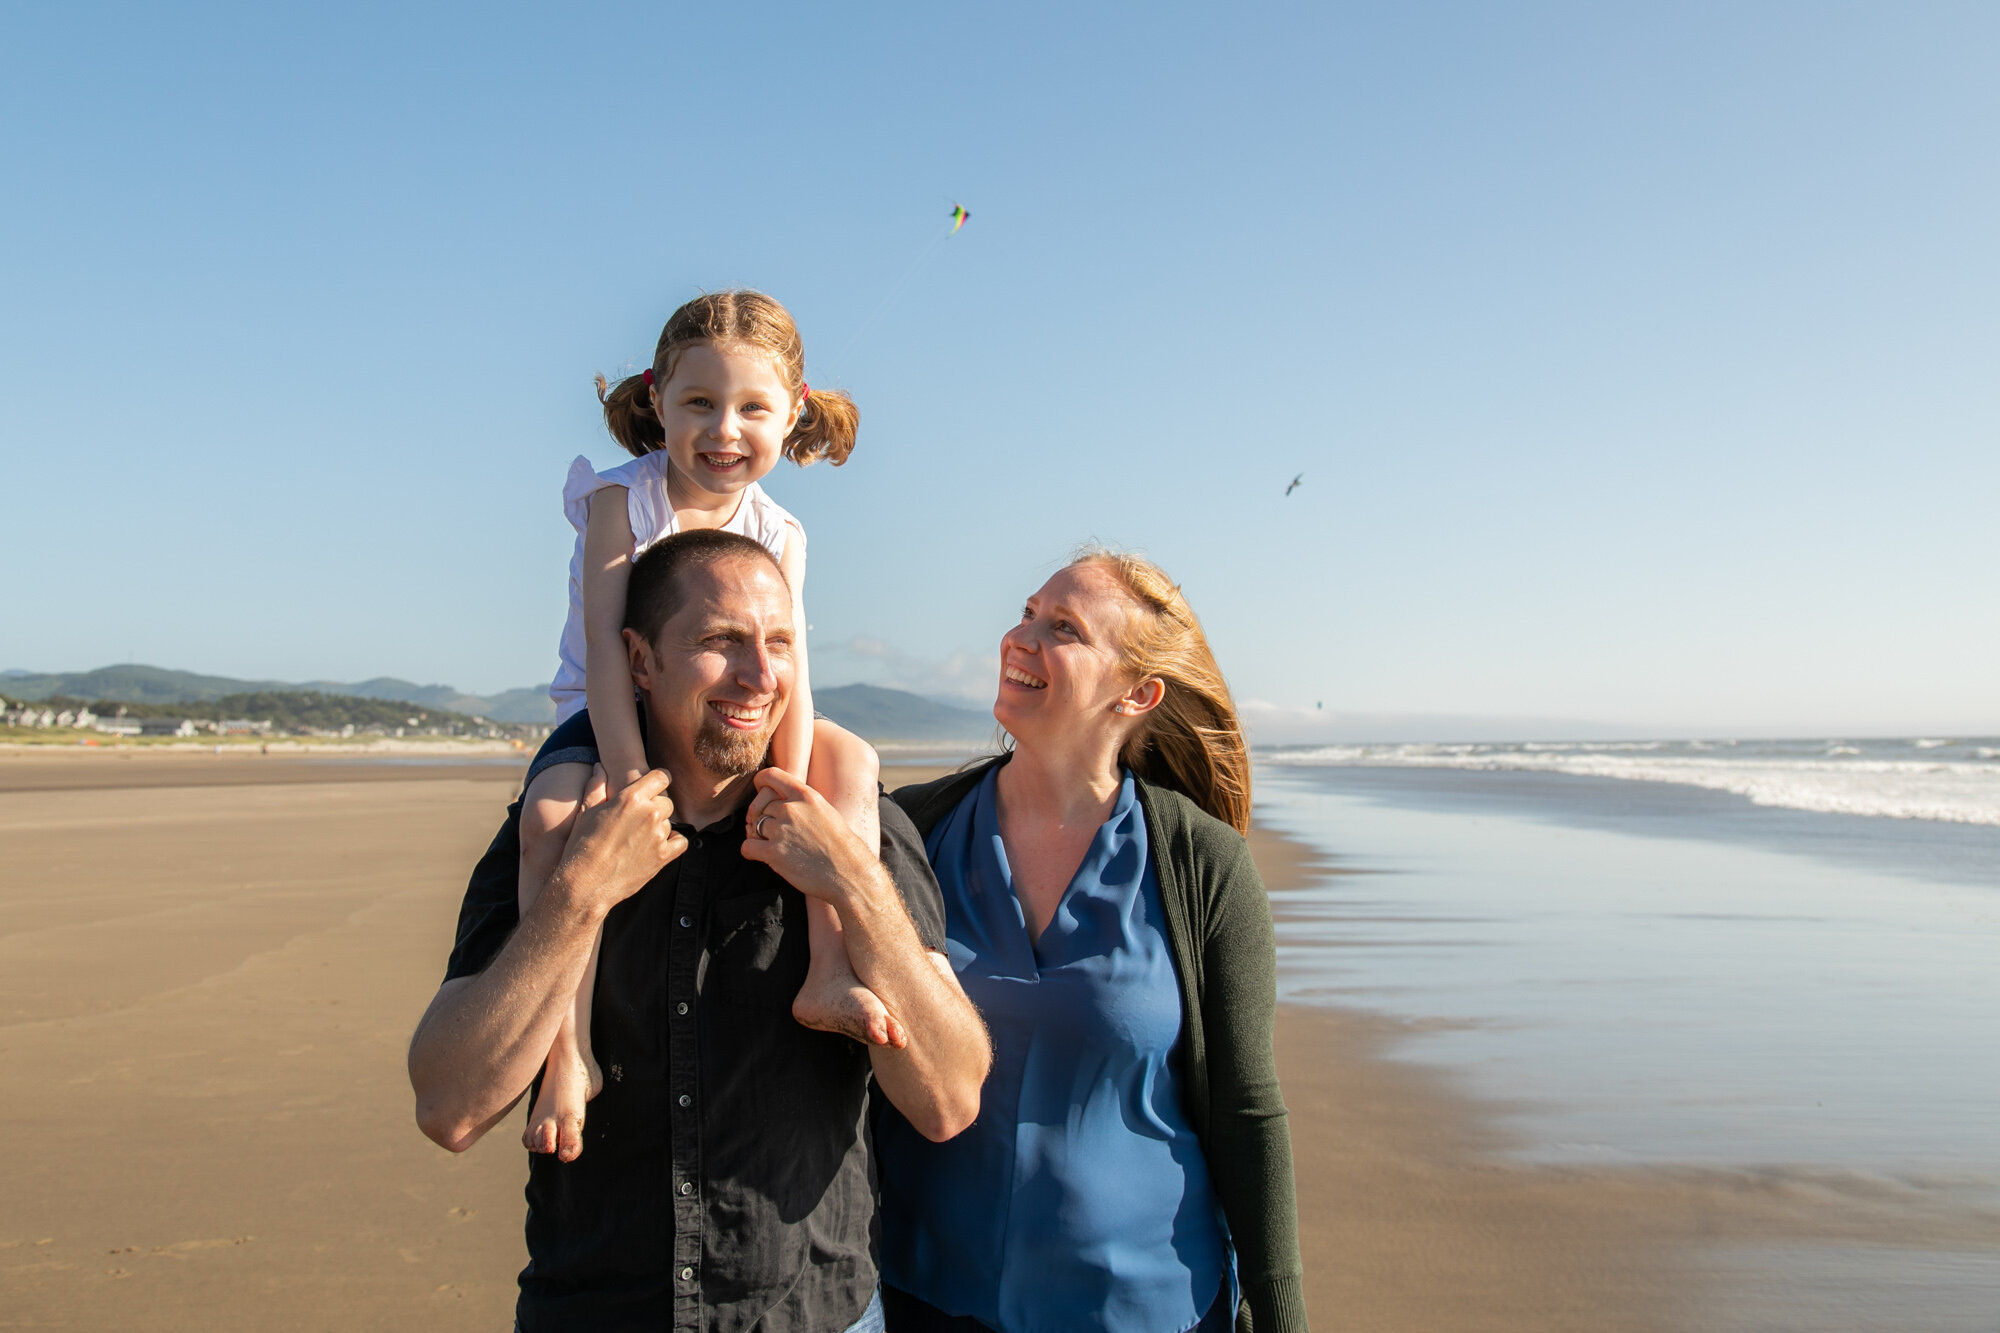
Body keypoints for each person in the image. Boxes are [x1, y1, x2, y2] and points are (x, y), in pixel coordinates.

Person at [408, 528, 991, 1331]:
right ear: (639, 662)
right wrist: (581, 895)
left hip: (812, 1316)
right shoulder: (560, 835)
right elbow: (449, 1105)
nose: (760, 675)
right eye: (720, 641)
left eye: (779, 642)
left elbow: (949, 1098)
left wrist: (853, 881)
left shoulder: (857, 827)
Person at [877, 551, 1308, 1333]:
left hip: (1149, 1308)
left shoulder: (1202, 864)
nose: (1021, 637)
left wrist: (1283, 1317)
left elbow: (1248, 1112)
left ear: (1137, 694)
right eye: (1029, 610)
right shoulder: (915, 829)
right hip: (927, 1299)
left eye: (1064, 628)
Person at [523, 290, 890, 1162]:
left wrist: (787, 779)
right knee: (551, 819)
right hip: (609, 712)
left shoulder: (780, 530)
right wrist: (625, 770)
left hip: (734, 712)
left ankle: (830, 966)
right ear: (659, 402)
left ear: (792, 413)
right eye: (700, 403)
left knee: (853, 763)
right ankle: (566, 1050)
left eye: (752, 408)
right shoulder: (624, 503)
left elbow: (790, 667)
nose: (725, 430)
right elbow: (613, 653)